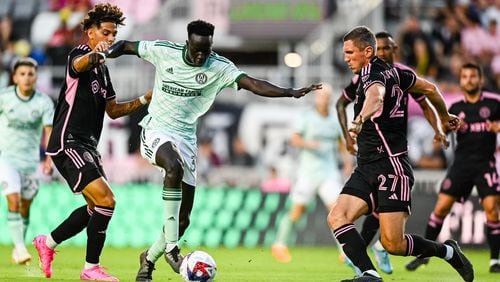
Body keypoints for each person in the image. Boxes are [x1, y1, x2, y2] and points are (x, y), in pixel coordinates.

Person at [101, 19, 321, 281]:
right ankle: (172, 250)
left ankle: (148, 259)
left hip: (186, 140)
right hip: (156, 130)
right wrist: (103, 53)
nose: (201, 55)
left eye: (206, 50)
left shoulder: (219, 67)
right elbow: (126, 45)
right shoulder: (164, 50)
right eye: (196, 50)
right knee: (172, 166)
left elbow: (252, 83)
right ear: (188, 43)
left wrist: (289, 92)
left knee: (183, 221)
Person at [327, 26, 473, 282]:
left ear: (367, 51)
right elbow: (429, 89)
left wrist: (360, 118)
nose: (346, 58)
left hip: (391, 167)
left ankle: (449, 252)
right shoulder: (396, 73)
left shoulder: (373, 75)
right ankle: (369, 273)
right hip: (367, 167)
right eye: (345, 53)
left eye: (350, 52)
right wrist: (444, 115)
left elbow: (376, 97)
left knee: (393, 244)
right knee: (338, 216)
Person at [32, 3, 152, 281]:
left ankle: (47, 243)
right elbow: (79, 65)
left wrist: (145, 99)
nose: (110, 38)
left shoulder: (105, 72)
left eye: (113, 34)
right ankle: (91, 269)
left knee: (94, 208)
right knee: (107, 200)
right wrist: (95, 57)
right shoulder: (81, 54)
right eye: (106, 33)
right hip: (68, 141)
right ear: (90, 32)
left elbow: (113, 110)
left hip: (88, 145)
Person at [406, 62, 500, 274]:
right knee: (440, 209)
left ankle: (495, 260)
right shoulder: (456, 109)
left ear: (480, 79)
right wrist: (441, 136)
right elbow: (442, 135)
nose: (469, 80)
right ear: (461, 80)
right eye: (465, 76)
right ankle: (425, 255)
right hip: (461, 165)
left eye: (472, 76)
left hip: (486, 164)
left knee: (492, 210)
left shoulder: (494, 103)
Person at [271, 83, 353, 263]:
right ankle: (279, 244)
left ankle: (345, 251)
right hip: (307, 173)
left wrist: (347, 162)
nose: (324, 99)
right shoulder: (306, 117)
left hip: (329, 172)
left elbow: (341, 143)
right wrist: (310, 144)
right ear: (316, 98)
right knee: (297, 211)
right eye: (321, 96)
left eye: (327, 96)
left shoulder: (335, 118)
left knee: (337, 211)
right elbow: (294, 139)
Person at [0, 57, 54, 265]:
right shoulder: (4, 97)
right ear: (14, 77)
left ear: (36, 77)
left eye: (30, 74)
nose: (26, 78)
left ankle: (18, 245)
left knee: (25, 206)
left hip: (30, 163)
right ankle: (21, 248)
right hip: (6, 158)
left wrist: (49, 159)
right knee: (13, 199)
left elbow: (48, 132)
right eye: (22, 74)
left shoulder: (43, 102)